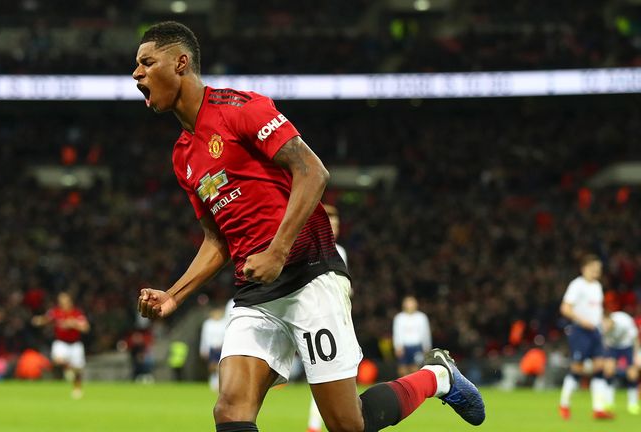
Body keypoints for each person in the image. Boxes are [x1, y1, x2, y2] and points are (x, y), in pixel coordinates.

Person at [134, 21, 485, 432]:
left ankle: (437, 377)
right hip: (256, 293)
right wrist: (174, 295)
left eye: (146, 62)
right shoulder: (183, 156)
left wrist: (278, 251)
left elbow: (313, 172)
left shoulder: (240, 107)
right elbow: (217, 239)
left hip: (308, 276)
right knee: (230, 410)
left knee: (347, 424)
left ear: (180, 62)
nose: (137, 74)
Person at [307, 204, 348, 432]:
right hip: (316, 319)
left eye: (337, 223)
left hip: (335, 320)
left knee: (329, 377)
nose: (335, 227)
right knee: (325, 375)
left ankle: (314, 425)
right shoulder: (310, 248)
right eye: (330, 222)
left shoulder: (340, 252)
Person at [558, 254, 612, 420]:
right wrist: (583, 321)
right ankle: (564, 404)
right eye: (593, 268)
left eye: (598, 269)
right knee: (577, 368)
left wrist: (604, 321)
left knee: (599, 365)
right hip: (579, 330)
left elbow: (597, 310)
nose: (596, 271)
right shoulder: (577, 285)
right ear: (584, 269)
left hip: (595, 331)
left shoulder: (597, 286)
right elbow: (565, 308)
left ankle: (598, 408)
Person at [32, 292, 90, 399]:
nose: (62, 302)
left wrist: (73, 324)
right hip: (61, 342)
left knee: (78, 370)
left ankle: (77, 389)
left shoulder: (77, 313)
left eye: (65, 300)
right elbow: (46, 319)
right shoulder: (56, 312)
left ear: (70, 301)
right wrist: (39, 320)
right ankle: (68, 370)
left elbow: (86, 328)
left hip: (75, 344)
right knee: (57, 359)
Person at [602, 310, 640, 415]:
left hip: (627, 345)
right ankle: (609, 402)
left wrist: (636, 355)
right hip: (613, 346)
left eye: (606, 323)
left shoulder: (624, 321)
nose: (605, 326)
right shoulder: (602, 327)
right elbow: (602, 341)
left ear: (611, 320)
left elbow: (635, 338)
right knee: (608, 370)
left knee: (632, 374)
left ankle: (633, 404)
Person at [393, 296, 432, 377]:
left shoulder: (421, 317)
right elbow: (397, 333)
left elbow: (425, 333)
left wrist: (427, 347)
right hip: (404, 347)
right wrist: (397, 347)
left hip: (417, 347)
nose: (409, 305)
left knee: (415, 369)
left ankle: (413, 388)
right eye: (407, 303)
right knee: (402, 369)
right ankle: (403, 387)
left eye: (411, 302)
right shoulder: (399, 318)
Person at [200, 305, 229, 391]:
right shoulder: (208, 323)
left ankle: (219, 382)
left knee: (220, 366)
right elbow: (204, 337)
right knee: (212, 366)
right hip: (212, 347)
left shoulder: (224, 323)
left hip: (221, 347)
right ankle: (213, 380)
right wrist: (203, 348)